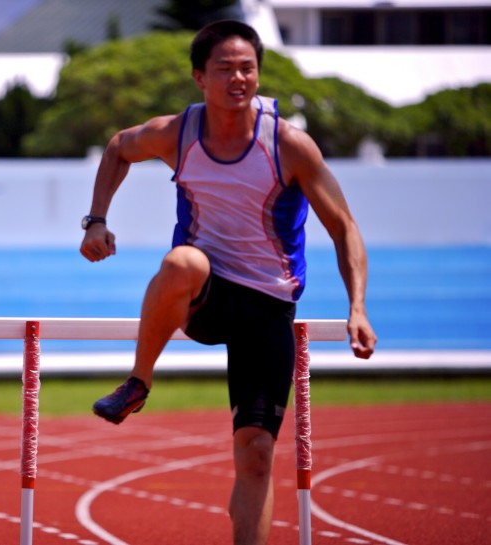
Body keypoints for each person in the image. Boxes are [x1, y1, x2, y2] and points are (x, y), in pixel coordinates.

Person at [80, 20, 376, 545]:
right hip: (207, 294)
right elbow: (118, 147)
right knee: (181, 263)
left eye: (248, 68)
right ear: (200, 77)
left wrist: (357, 307)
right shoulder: (179, 133)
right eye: (225, 69)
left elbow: (345, 227)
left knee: (257, 455)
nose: (239, 78)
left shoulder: (288, 144)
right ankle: (138, 383)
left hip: (268, 307)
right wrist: (96, 220)